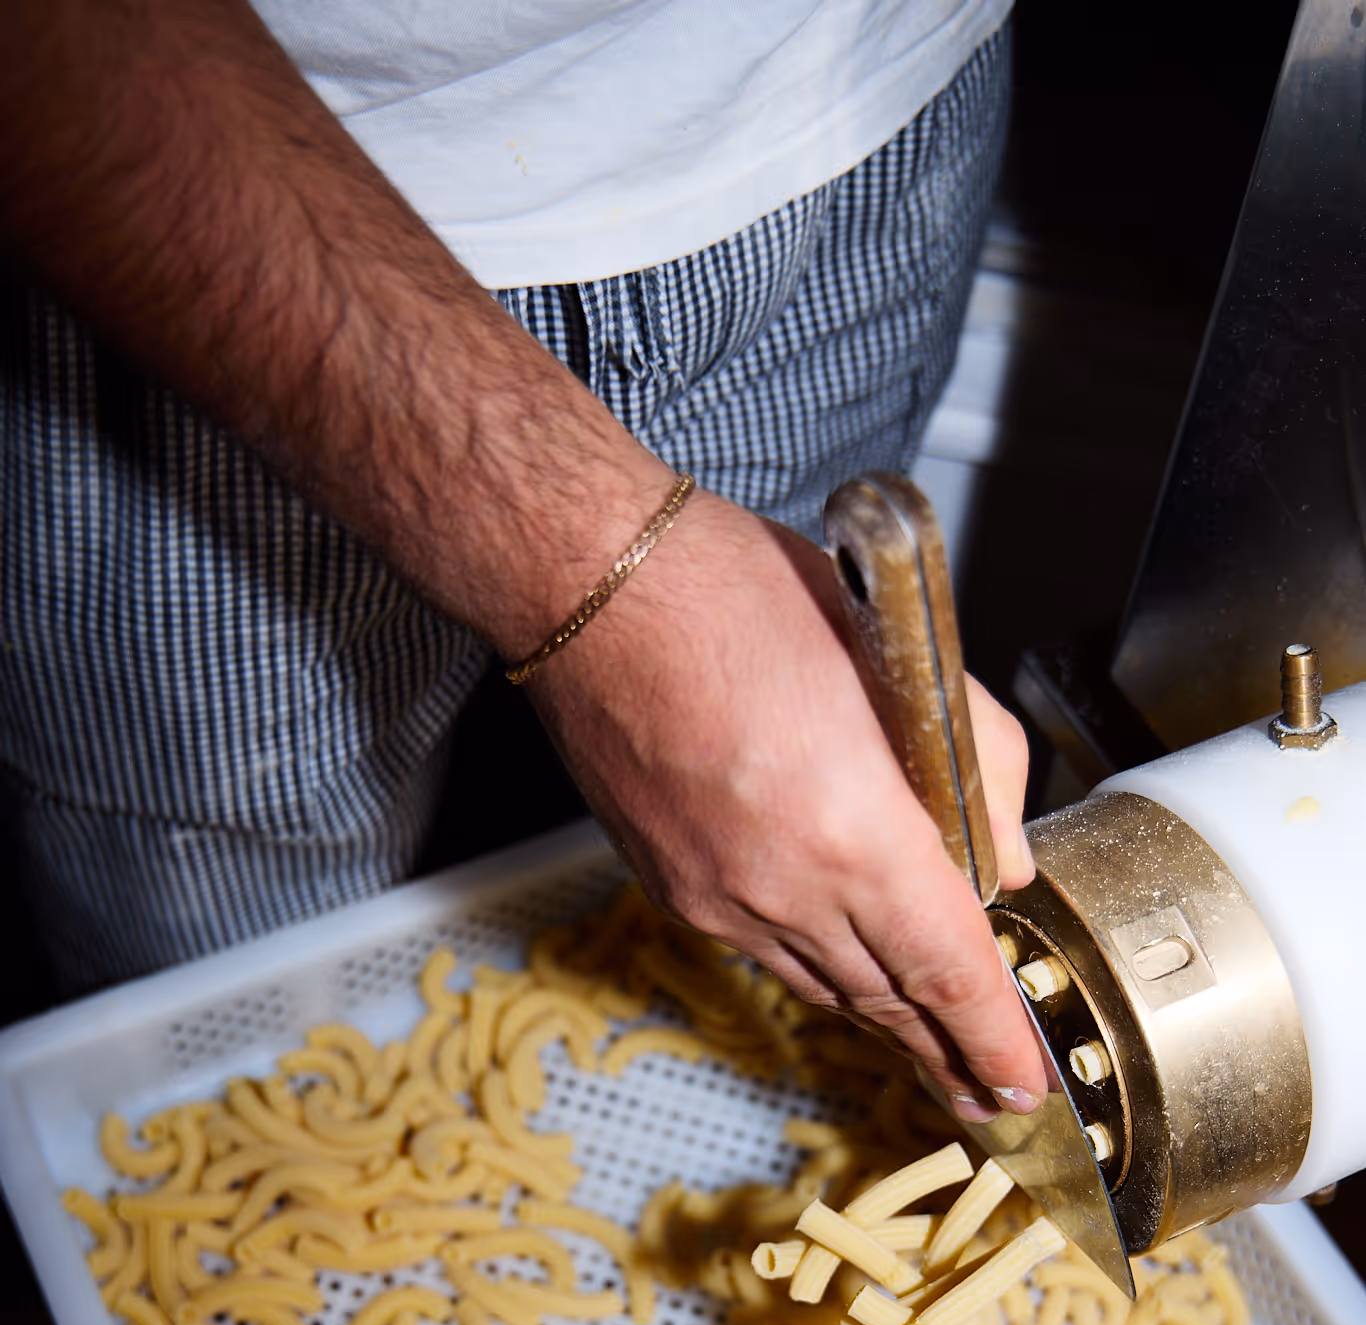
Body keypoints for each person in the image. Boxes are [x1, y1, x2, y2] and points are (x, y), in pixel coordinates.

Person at [0, 0, 1045, 1124]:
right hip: (223, 208)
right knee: (239, 1037)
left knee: (805, 895)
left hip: (866, 114)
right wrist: (594, 570)